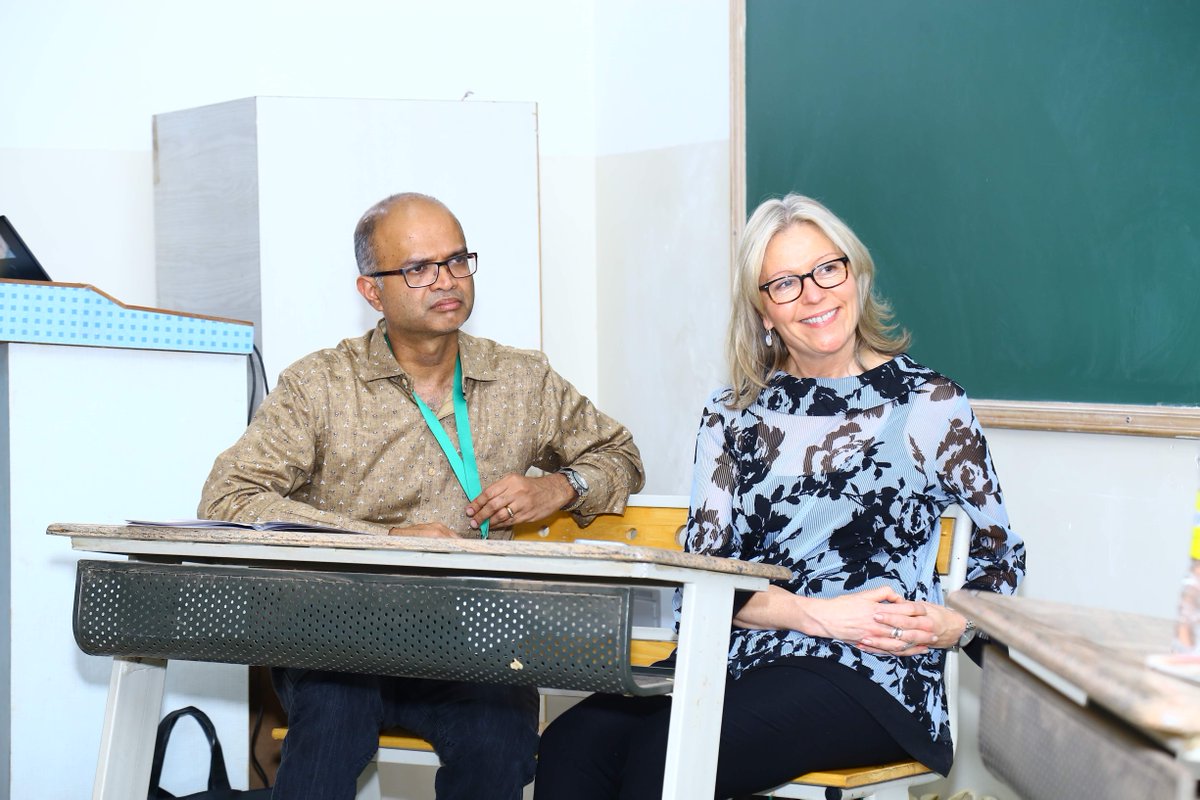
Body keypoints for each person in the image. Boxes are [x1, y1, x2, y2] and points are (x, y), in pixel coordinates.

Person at [533, 194, 1026, 799]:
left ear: (855, 275)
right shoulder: (733, 413)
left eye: (827, 269)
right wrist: (811, 613)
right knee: (570, 747)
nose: (814, 295)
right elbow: (704, 572)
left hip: (870, 670)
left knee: (663, 759)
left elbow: (1000, 558)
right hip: (737, 653)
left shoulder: (928, 404)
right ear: (763, 311)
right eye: (786, 284)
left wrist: (955, 626)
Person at [198, 192, 645, 800]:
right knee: (331, 721)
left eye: (457, 261)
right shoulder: (320, 385)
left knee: (498, 735)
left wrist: (561, 486)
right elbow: (229, 497)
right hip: (340, 629)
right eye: (418, 269)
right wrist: (381, 540)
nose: (446, 280)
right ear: (371, 292)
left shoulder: (522, 379)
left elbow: (620, 457)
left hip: (473, 634)